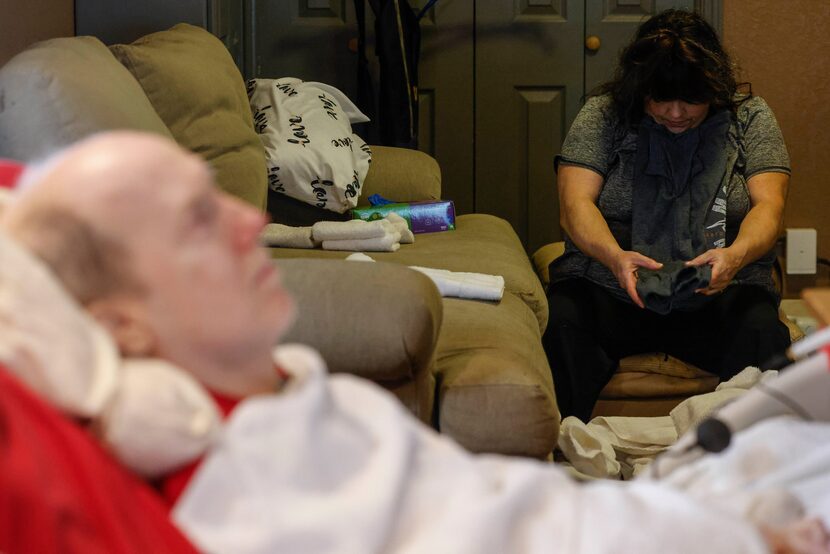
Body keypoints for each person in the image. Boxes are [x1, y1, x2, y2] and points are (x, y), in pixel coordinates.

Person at [1, 131, 827, 554]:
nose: (252, 221)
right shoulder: (241, 486)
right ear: (123, 326)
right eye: (196, 221)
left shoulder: (287, 396)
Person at [543, 9, 792, 422]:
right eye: (661, 98)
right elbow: (574, 207)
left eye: (691, 99)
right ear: (640, 90)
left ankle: (746, 468)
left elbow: (770, 206)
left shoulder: (751, 117)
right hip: (612, 290)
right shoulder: (603, 115)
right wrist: (615, 258)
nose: (676, 113)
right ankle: (561, 460)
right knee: (563, 324)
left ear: (714, 89)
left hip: (717, 294)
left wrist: (735, 257)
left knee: (764, 335)